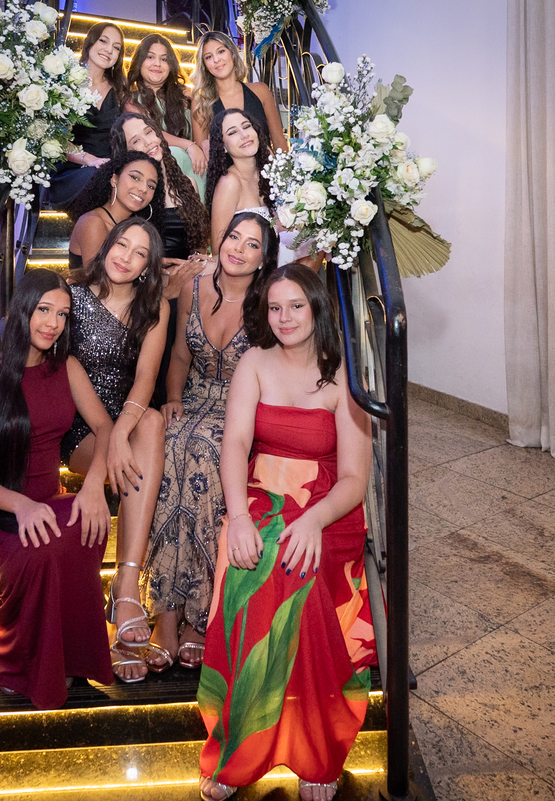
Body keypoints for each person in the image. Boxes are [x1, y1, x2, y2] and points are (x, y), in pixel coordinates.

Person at [197, 263, 376, 801]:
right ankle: (238, 747)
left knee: (296, 569)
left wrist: (314, 519)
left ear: (317, 307)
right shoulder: (254, 363)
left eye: (296, 305)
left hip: (327, 505)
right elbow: (235, 443)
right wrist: (238, 516)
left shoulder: (344, 374)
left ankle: (316, 749)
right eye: (275, 307)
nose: (285, 317)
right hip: (261, 494)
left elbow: (355, 479)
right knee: (252, 562)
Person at [0, 268, 115, 711]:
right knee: (41, 547)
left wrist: (94, 485)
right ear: (21, 310)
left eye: (62, 314)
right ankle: (10, 660)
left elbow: (104, 427)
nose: (53, 323)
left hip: (48, 507)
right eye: (44, 310)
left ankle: (72, 656)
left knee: (89, 523)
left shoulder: (67, 368)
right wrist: (21, 505)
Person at [141, 212, 279, 673]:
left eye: (252, 244)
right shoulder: (193, 286)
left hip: (243, 408)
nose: (238, 248)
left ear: (264, 259)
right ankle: (166, 611)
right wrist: (172, 398)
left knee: (202, 452)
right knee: (168, 444)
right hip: (193, 396)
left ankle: (201, 614)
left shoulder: (269, 301)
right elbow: (180, 354)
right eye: (233, 237)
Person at [63, 217, 170, 684]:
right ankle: (125, 597)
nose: (126, 257)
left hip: (127, 418)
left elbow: (146, 378)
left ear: (148, 266)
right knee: (143, 450)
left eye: (139, 252)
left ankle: (126, 582)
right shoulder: (71, 296)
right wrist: (111, 438)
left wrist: (122, 434)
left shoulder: (154, 307)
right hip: (79, 425)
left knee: (152, 422)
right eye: (121, 245)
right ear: (106, 246)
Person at [110, 111, 210, 408]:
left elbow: (196, 242)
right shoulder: (134, 196)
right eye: (136, 141)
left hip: (187, 281)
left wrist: (197, 262)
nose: (148, 141)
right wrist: (164, 274)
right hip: (150, 288)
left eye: (149, 132)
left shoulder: (188, 184)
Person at [47, 22, 127, 208]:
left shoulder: (120, 90)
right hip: (73, 171)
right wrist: (89, 159)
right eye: (103, 41)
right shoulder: (64, 82)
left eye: (116, 47)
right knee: (99, 177)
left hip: (108, 167)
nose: (109, 50)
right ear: (90, 42)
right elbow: (54, 138)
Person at [190, 31, 288, 161]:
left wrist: (285, 170)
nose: (216, 60)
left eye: (221, 51)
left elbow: (278, 140)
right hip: (226, 172)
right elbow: (201, 154)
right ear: (204, 65)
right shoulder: (201, 102)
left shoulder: (261, 91)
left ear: (232, 53)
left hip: (265, 168)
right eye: (208, 57)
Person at [67, 151, 166, 270]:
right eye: (135, 178)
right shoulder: (93, 223)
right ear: (114, 179)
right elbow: (98, 278)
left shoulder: (136, 228)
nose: (143, 189)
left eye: (151, 186)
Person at [124, 34, 207, 176]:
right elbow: (151, 134)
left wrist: (196, 149)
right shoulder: (132, 102)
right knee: (174, 153)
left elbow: (201, 142)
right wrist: (188, 145)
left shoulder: (188, 96)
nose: (157, 63)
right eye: (150, 57)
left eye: (164, 59)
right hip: (156, 168)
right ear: (140, 62)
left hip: (194, 164)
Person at [206, 109, 274, 253]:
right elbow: (218, 250)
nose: (244, 135)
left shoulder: (271, 172)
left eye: (246, 126)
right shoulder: (229, 183)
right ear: (223, 146)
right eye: (232, 132)